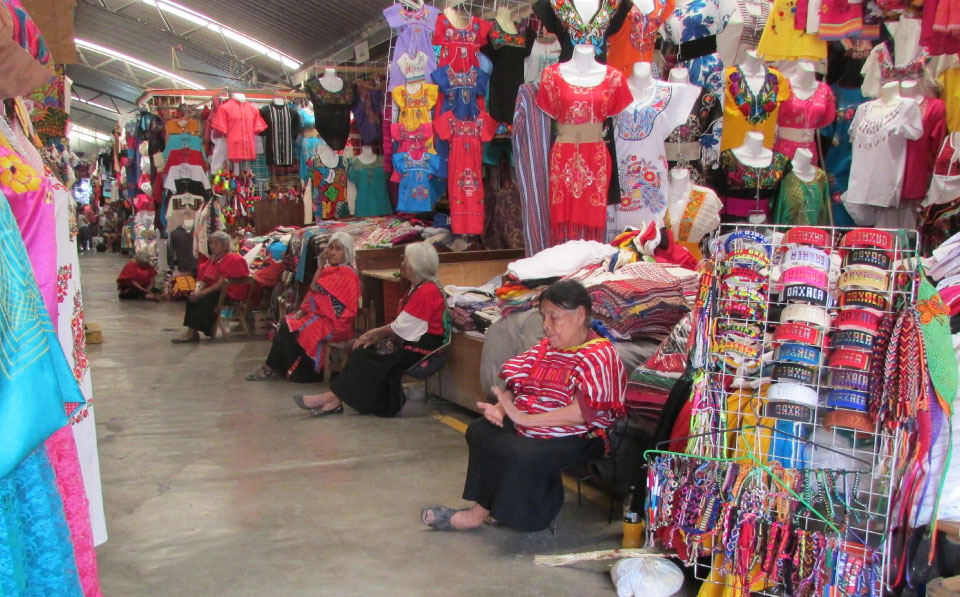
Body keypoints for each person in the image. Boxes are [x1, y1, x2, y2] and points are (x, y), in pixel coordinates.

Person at [420, 280, 626, 532]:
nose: (546, 325)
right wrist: (502, 408)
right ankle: (491, 508)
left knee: (519, 449)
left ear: (580, 314)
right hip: (537, 422)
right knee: (480, 431)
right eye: (543, 317)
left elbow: (581, 413)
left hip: (585, 435)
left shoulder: (601, 354)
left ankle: (495, 514)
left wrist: (525, 419)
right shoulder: (547, 347)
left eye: (553, 317)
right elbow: (520, 382)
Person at [293, 242, 446, 417]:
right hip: (410, 338)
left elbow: (404, 326)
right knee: (361, 351)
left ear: (415, 266)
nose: (402, 264)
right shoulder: (418, 287)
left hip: (420, 345)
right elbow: (404, 325)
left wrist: (373, 334)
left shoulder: (427, 291)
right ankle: (334, 399)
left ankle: (330, 398)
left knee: (366, 355)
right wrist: (374, 336)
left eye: (405, 260)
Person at [247, 232, 361, 382]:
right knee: (287, 323)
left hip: (336, 324)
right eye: (331, 248)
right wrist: (303, 310)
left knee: (291, 327)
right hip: (325, 318)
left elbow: (314, 287)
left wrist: (320, 265)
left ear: (347, 252)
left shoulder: (345, 272)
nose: (332, 252)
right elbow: (316, 296)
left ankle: (286, 369)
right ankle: (278, 368)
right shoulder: (333, 270)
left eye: (338, 249)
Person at [172, 231, 249, 343]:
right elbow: (206, 278)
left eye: (216, 243)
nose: (212, 246)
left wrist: (203, 293)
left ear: (225, 245)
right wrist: (198, 291)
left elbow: (222, 282)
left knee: (203, 300)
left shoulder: (232, 258)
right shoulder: (214, 259)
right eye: (211, 243)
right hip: (218, 290)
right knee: (191, 298)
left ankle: (192, 332)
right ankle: (192, 331)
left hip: (229, 292)